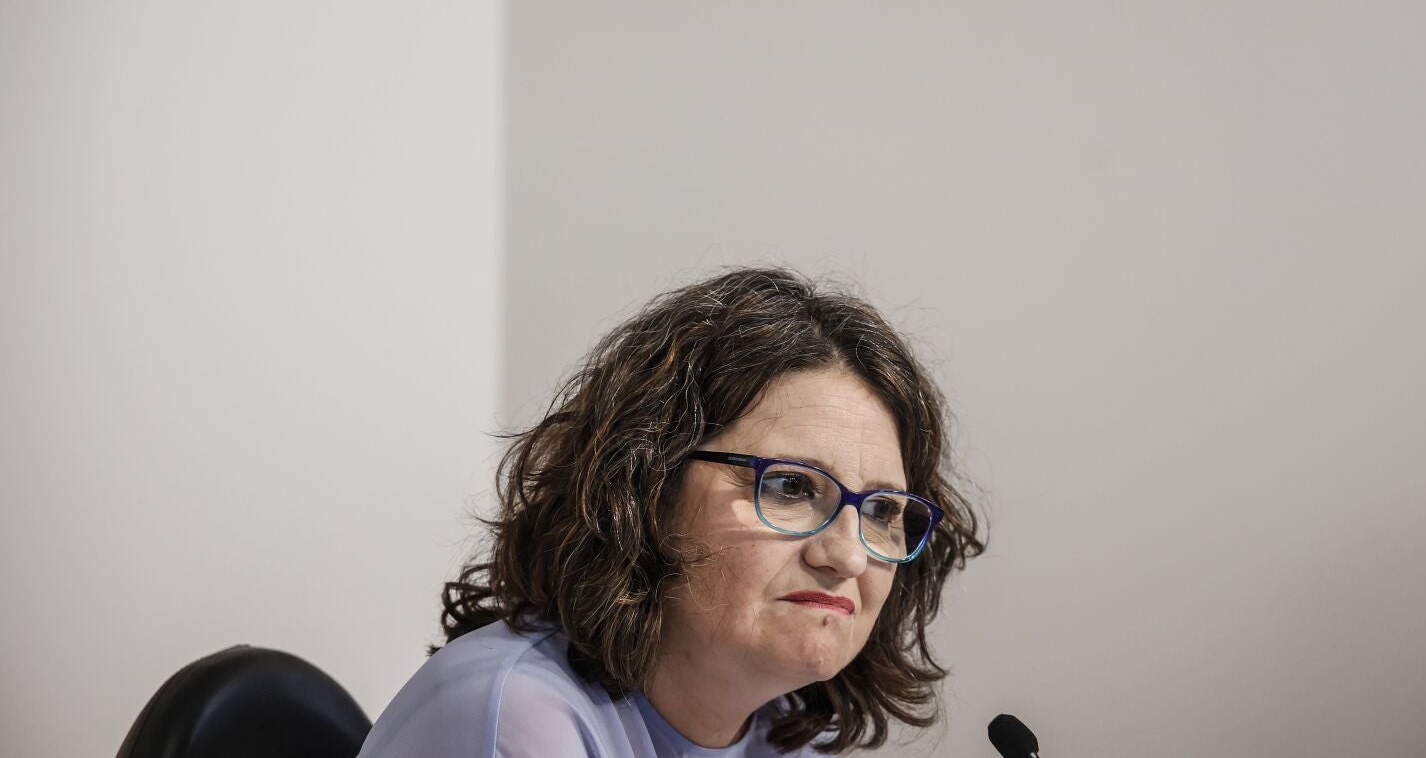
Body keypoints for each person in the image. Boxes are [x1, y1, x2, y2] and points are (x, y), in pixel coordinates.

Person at [358, 267, 985, 756]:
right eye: (791, 487)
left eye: (881, 509)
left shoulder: (786, 734)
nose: (847, 555)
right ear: (645, 490)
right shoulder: (513, 714)